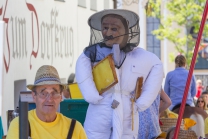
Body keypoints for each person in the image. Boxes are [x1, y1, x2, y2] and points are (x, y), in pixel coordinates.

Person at [76, 9, 164, 139]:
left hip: (128, 115)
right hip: (100, 112)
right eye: (105, 28)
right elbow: (82, 67)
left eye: (114, 28)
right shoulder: (92, 53)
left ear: (126, 31)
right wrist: (92, 95)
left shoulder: (140, 55)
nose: (108, 32)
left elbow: (157, 66)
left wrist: (143, 101)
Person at [6, 65, 87, 139]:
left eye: (54, 93)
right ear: (34, 96)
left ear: (60, 96)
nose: (49, 99)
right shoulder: (19, 125)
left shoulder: (75, 128)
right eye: (43, 93)